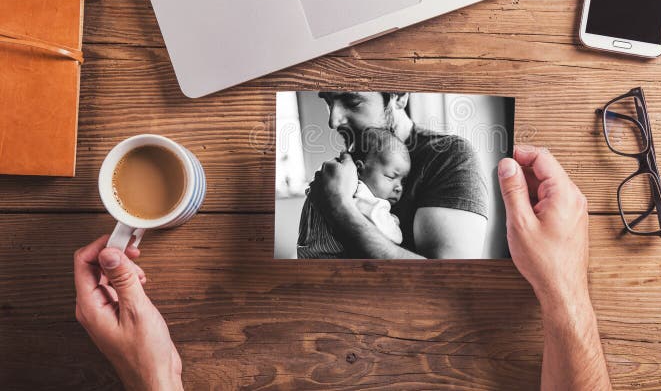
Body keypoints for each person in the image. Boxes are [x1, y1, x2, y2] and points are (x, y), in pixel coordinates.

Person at [74, 145, 611, 390]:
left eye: (349, 102)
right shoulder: (352, 191)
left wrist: (153, 378)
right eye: (389, 175)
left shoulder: (434, 165)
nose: (334, 123)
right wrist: (566, 289)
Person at [306, 91, 490, 259]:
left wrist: (338, 206)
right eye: (329, 102)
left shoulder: (449, 157)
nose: (333, 121)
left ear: (400, 96)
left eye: (352, 102)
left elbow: (450, 280)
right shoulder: (346, 165)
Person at [297, 127, 411, 258]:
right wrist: (393, 222)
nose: (399, 187)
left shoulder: (326, 181)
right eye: (391, 177)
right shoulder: (364, 196)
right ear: (359, 169)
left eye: (403, 181)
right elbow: (392, 237)